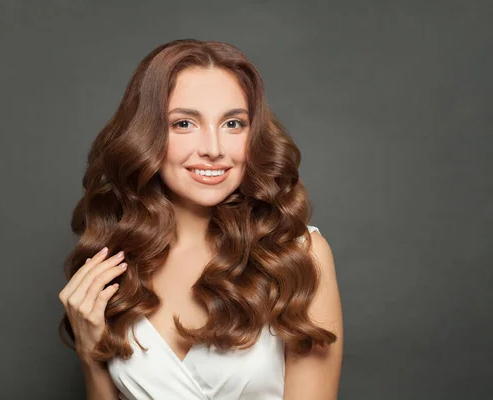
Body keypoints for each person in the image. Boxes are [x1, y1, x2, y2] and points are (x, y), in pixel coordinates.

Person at [58, 39, 343, 400]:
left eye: (233, 123)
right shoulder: (115, 264)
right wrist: (91, 358)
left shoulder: (297, 256)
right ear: (147, 136)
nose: (213, 148)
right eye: (184, 123)